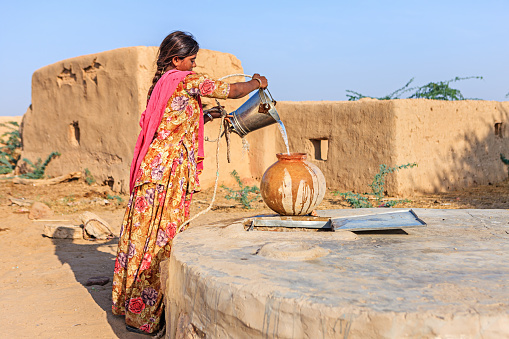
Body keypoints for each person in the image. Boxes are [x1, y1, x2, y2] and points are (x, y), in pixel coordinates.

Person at [111, 30, 267, 335]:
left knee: (142, 237)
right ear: (176, 59)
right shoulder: (184, 80)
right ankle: (143, 317)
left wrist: (204, 114)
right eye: (191, 59)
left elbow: (173, 120)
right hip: (167, 174)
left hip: (152, 171)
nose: (194, 65)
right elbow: (230, 91)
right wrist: (257, 84)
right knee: (160, 241)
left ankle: (128, 303)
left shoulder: (163, 83)